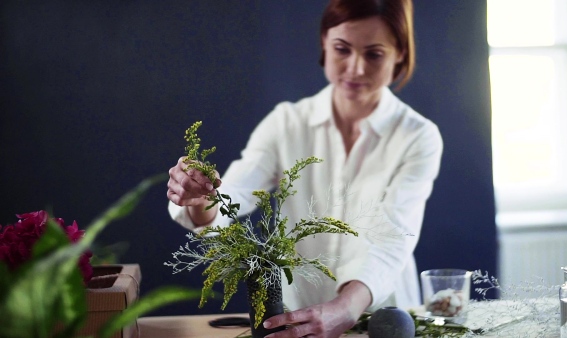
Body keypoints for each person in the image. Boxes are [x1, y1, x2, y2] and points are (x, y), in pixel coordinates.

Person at [167, 0, 443, 337]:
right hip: (296, 321)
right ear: (325, 43)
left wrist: (345, 309)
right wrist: (200, 198)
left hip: (383, 321)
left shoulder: (418, 136)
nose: (355, 68)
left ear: (400, 53)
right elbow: (234, 192)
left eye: (374, 54)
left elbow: (394, 238)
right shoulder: (287, 123)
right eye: (342, 49)